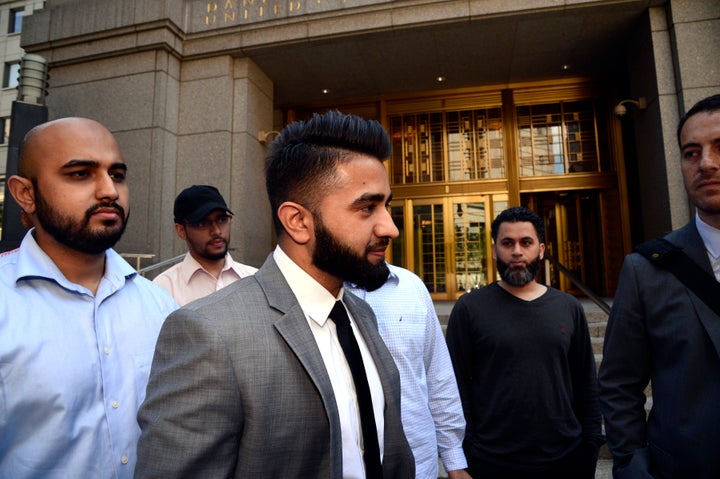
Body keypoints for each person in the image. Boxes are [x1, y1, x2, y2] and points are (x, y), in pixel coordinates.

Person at [135, 110, 415, 478]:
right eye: (366, 207)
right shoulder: (209, 334)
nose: (390, 227)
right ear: (297, 221)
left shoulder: (361, 315)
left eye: (387, 206)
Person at [0, 117, 178, 478]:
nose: (109, 190)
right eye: (80, 173)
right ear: (25, 194)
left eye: (118, 174)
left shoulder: (158, 306)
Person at [598, 93, 720, 478]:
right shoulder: (647, 269)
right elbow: (619, 383)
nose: (706, 163)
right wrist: (633, 466)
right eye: (690, 153)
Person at [446, 206, 603, 479]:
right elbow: (455, 385)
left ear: (541, 250)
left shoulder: (568, 307)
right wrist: (463, 454)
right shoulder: (470, 309)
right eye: (508, 243)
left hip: (565, 459)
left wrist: (589, 448)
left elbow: (585, 382)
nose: (517, 251)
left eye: (526, 242)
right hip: (491, 461)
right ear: (495, 250)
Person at [346, 263, 472, 479]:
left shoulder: (412, 287)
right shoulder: (323, 291)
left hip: (419, 465)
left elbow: (438, 375)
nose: (388, 231)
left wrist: (454, 459)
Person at [153, 184, 257, 305]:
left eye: (222, 219)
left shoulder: (255, 279)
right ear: (181, 231)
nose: (216, 230)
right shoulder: (164, 288)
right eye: (202, 223)